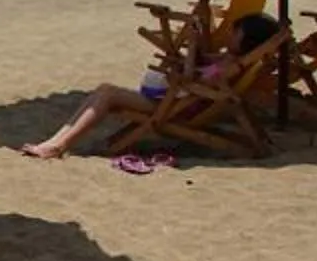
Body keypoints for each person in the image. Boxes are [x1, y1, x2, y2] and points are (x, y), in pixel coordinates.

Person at [21, 12, 281, 160]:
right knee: (104, 91)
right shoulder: (227, 59)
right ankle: (57, 141)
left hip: (175, 108)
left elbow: (193, 79)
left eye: (237, 32)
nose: (231, 34)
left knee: (107, 94)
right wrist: (195, 39)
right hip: (173, 100)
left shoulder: (231, 67)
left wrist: (189, 52)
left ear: (248, 40)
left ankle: (58, 145)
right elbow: (199, 62)